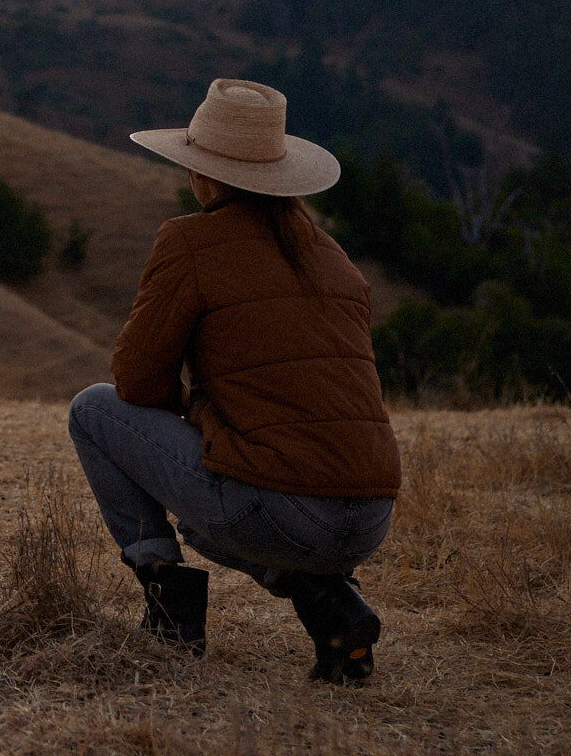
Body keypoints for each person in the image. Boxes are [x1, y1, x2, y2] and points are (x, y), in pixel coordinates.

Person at [67, 79, 400, 684]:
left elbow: (136, 383)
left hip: (281, 512)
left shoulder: (189, 241)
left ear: (204, 175)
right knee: (249, 485)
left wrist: (187, 419)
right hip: (370, 518)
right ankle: (334, 605)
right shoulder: (334, 257)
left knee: (93, 412)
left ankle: (171, 611)